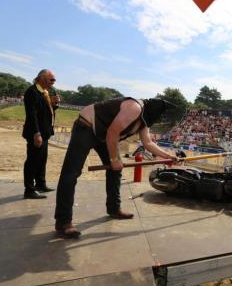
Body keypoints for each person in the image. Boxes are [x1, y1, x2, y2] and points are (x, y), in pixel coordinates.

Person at [54, 97, 179, 238]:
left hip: (103, 135)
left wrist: (167, 156)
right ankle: (63, 222)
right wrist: (114, 159)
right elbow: (112, 133)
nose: (160, 119)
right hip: (86, 127)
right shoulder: (135, 108)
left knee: (116, 170)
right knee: (71, 174)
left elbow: (148, 143)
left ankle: (114, 209)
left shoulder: (145, 119)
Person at [22, 69, 59, 199]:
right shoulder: (32, 92)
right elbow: (32, 115)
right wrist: (36, 133)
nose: (53, 82)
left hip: (44, 133)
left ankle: (40, 184)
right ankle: (29, 189)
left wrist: (53, 104)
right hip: (36, 133)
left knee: (41, 160)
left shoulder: (45, 92)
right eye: (52, 80)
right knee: (32, 160)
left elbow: (46, 111)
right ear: (42, 79)